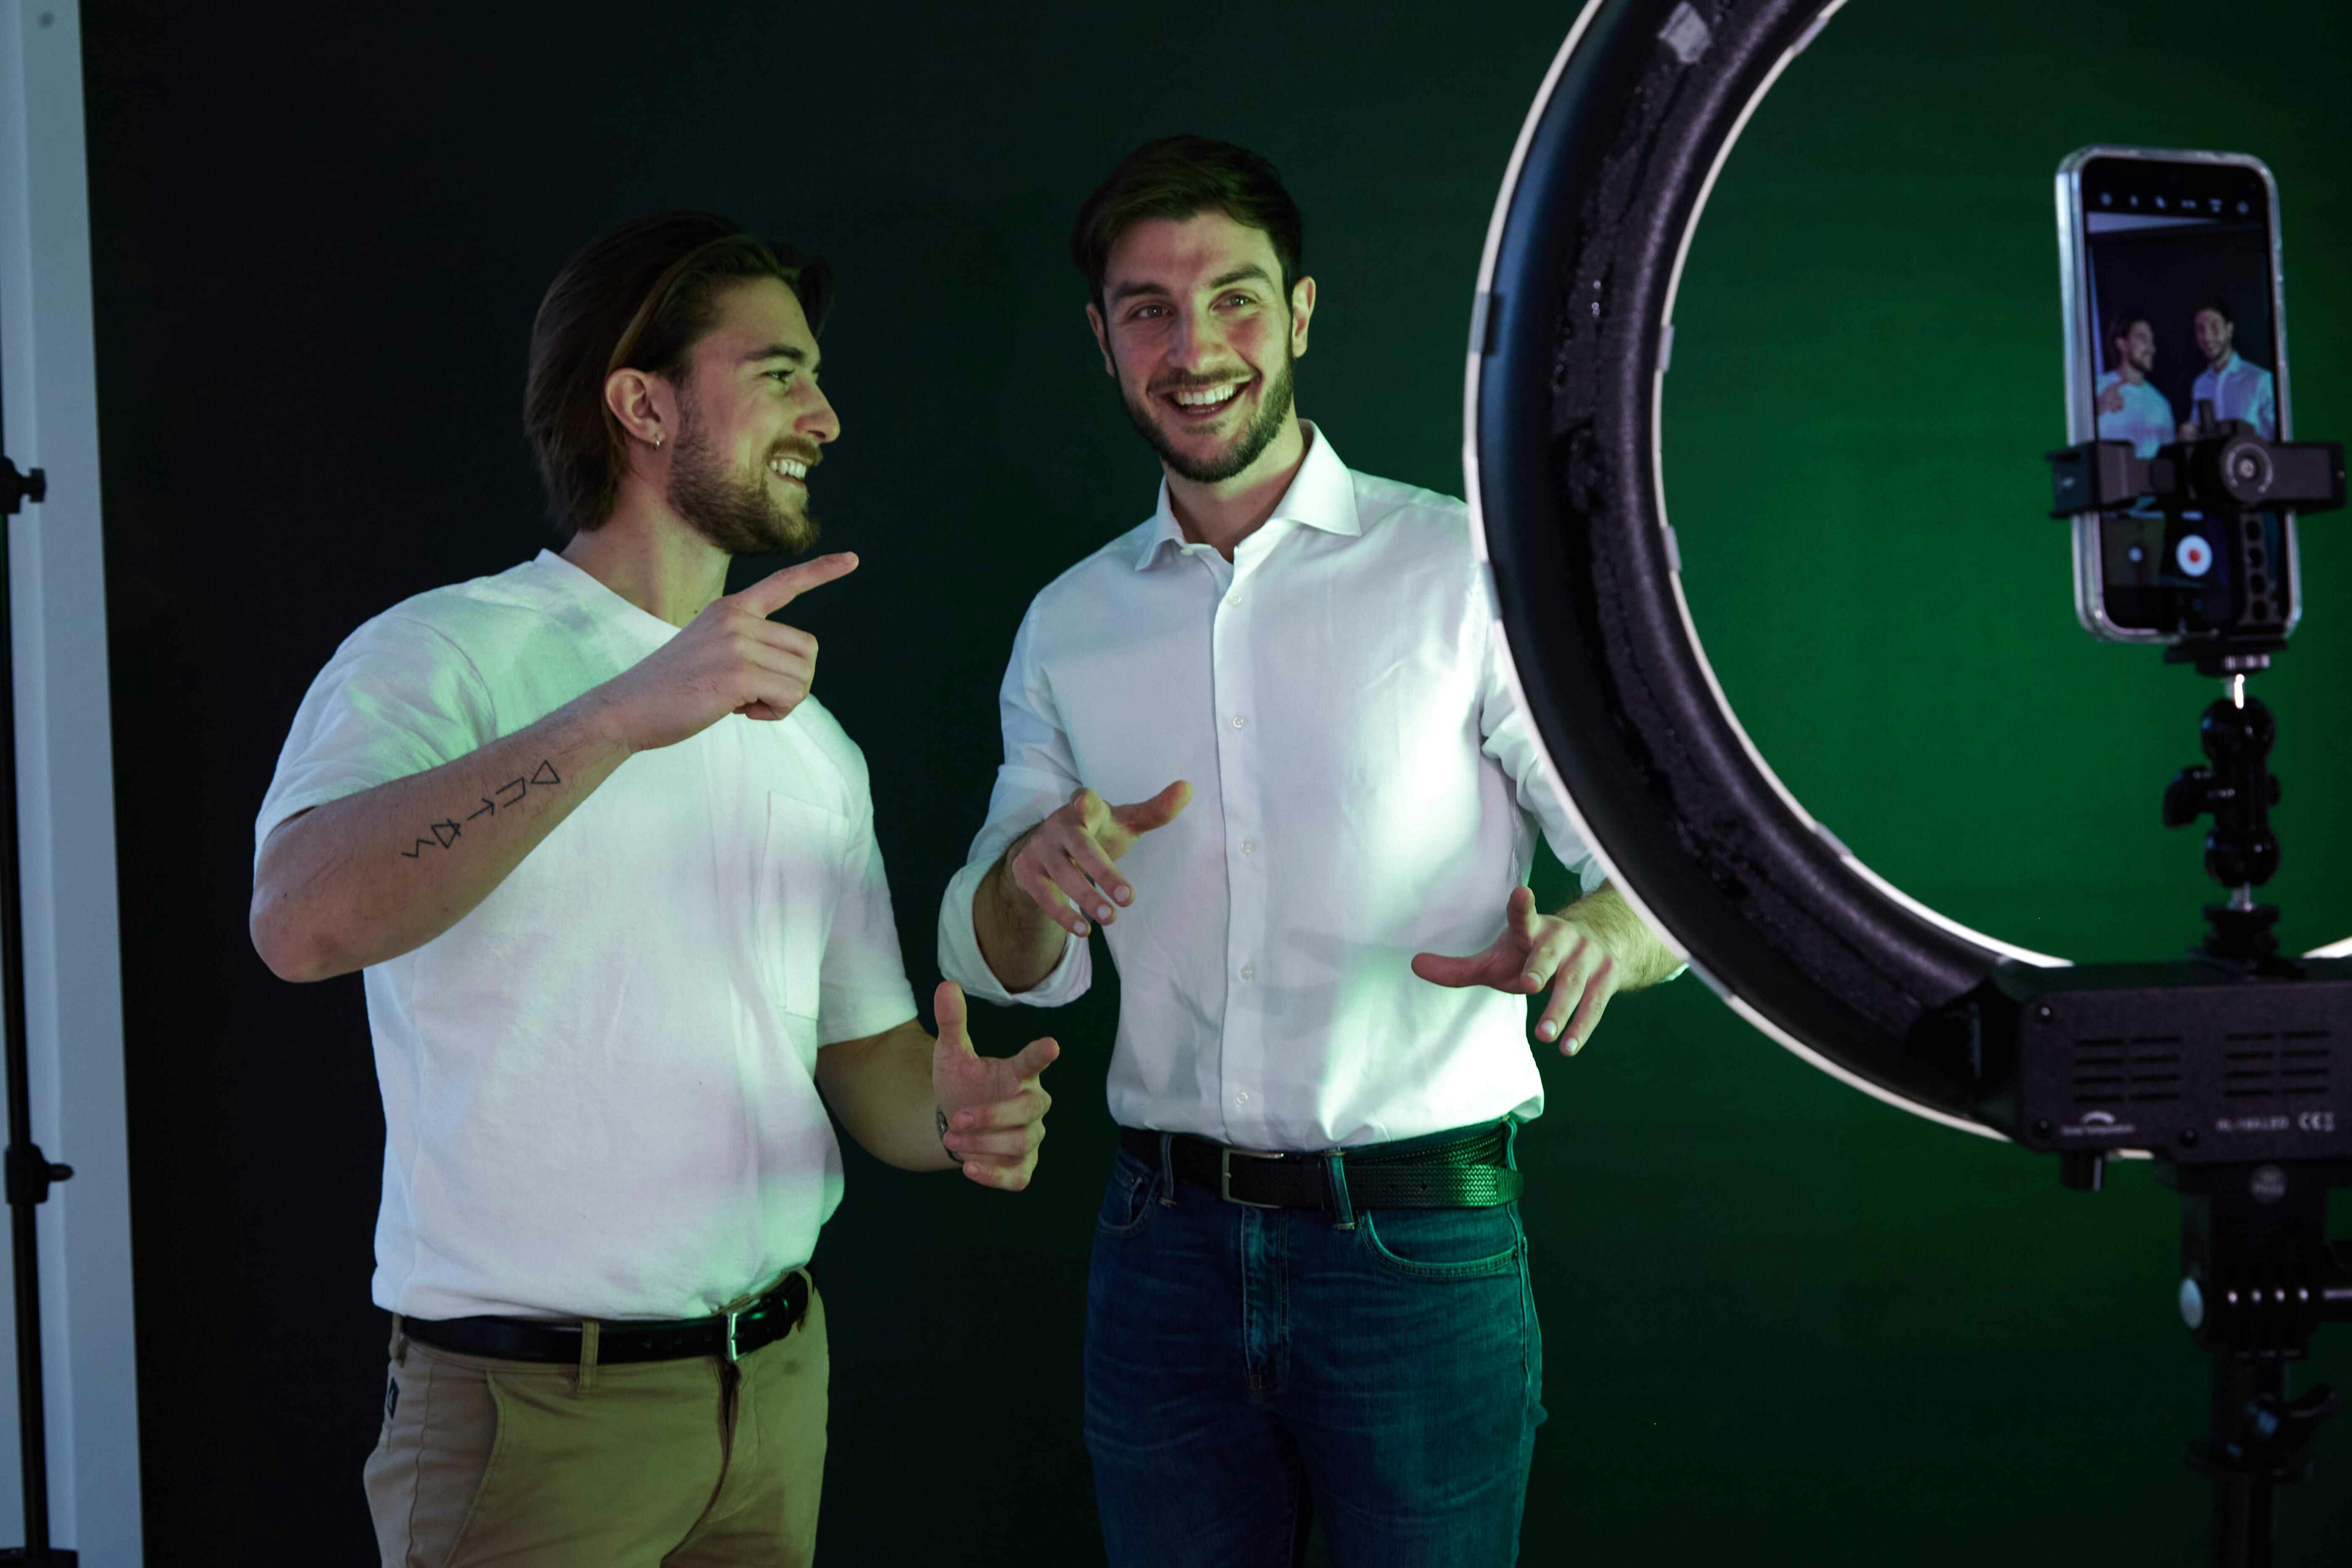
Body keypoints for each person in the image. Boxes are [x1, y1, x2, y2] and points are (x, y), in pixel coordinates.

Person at [249, 211, 1058, 1567]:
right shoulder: (444, 653)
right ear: (641, 402)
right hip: (530, 1422)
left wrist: (953, 1110)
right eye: (782, 371)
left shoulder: (810, 743)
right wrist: (622, 711)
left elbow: (861, 1063)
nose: (828, 415)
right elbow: (301, 921)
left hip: (772, 1393)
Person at [936, 137, 1680, 1567]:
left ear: (1299, 313)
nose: (1192, 342)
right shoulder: (1068, 623)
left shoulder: (1465, 571)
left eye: (1229, 296)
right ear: (1102, 342)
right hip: (1159, 1253)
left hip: (1416, 1249)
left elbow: (1653, 877)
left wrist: (1601, 934)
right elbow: (1003, 960)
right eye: (1146, 307)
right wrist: (1027, 878)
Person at [2183, 296, 2276, 439]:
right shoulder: (2200, 384)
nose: (2207, 337)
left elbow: (2278, 440)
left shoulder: (2260, 380)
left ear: (2229, 330)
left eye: (2214, 327)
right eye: (2201, 329)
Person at [2093, 311, 2175, 458]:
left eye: (2152, 341)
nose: (2151, 348)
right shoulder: (2097, 388)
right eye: (2143, 339)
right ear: (2122, 345)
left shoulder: (2161, 405)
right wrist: (2096, 410)